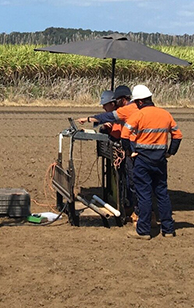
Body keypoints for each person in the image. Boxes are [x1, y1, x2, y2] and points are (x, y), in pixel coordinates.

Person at [120, 84, 183, 239]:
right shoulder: (165, 114)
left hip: (142, 160)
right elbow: (178, 135)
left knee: (144, 195)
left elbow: (124, 135)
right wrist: (170, 152)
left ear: (140, 102)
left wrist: (129, 152)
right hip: (160, 161)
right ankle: (168, 229)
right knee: (162, 194)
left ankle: (143, 231)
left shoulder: (138, 115)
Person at [78, 85, 140, 220]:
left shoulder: (125, 111)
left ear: (119, 100)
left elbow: (111, 123)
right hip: (130, 150)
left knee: (132, 182)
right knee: (127, 181)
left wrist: (89, 119)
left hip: (132, 150)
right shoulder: (126, 111)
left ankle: (138, 211)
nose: (103, 107)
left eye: (106, 104)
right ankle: (131, 207)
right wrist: (105, 128)